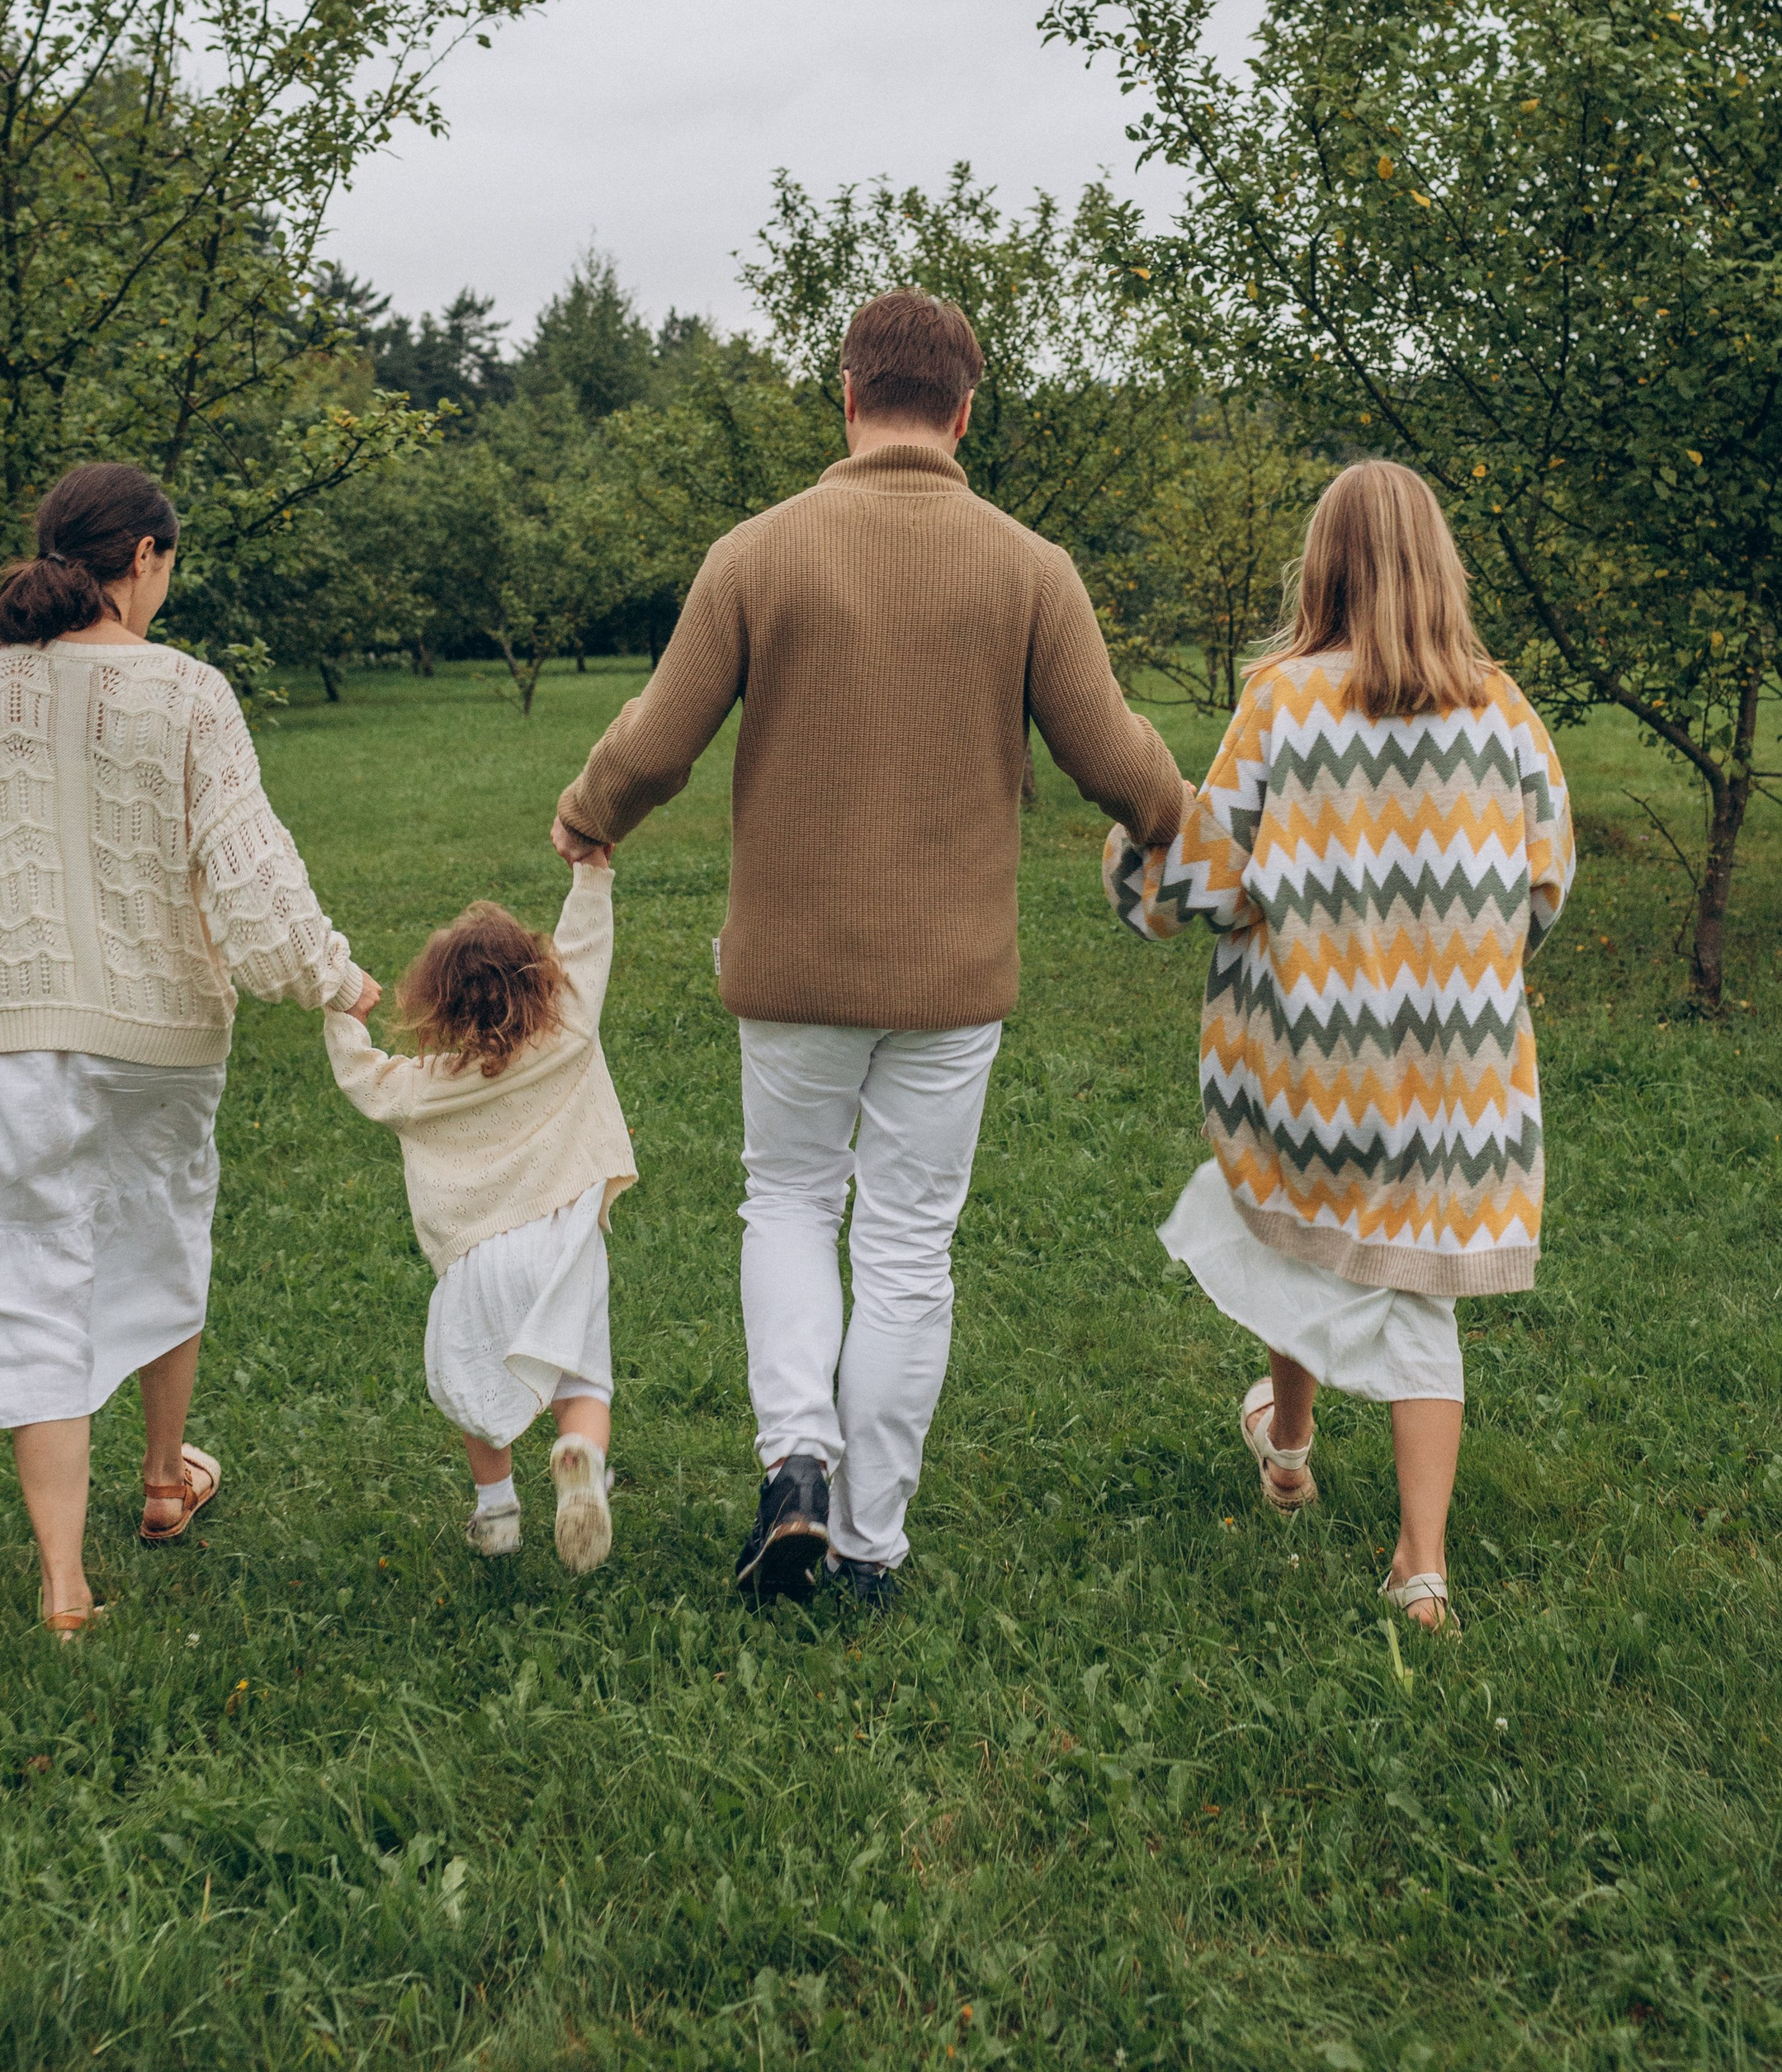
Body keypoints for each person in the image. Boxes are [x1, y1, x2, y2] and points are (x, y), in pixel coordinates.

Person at [552, 286, 1186, 1607]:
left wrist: (588, 812)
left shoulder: (757, 553)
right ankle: (870, 1546)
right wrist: (1177, 825)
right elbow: (1114, 756)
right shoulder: (1029, 567)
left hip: (791, 965)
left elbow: (657, 744)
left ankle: (796, 1468)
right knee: (909, 1243)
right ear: (966, 410)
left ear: (847, 398)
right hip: (952, 981)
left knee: (788, 1200)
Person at [0, 460, 377, 1639]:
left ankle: (64, 1583)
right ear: (147, 559)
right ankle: (166, 1478)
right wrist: (338, 978)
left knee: (23, 1275)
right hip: (159, 1032)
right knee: (158, 1235)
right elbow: (249, 872)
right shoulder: (188, 692)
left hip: (11, 1027)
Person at [1104, 459, 1575, 1634]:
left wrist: (1129, 859)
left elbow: (1203, 884)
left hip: (1313, 1064)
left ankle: (1291, 1443)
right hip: (1455, 1077)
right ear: (1439, 567)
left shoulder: (1283, 700)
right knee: (1421, 1295)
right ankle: (1421, 1566)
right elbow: (1548, 880)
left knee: (1295, 1225)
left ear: (1325, 564)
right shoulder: (1505, 710)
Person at [324, 852, 633, 1573]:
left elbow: (365, 1082)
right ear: (537, 977)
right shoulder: (569, 1036)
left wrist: (344, 1011)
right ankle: (581, 1454)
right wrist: (591, 875)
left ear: (436, 1004)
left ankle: (497, 1512)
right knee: (583, 1379)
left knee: (475, 1390)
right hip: (564, 1243)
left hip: (476, 1262)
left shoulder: (424, 1088)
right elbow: (587, 947)